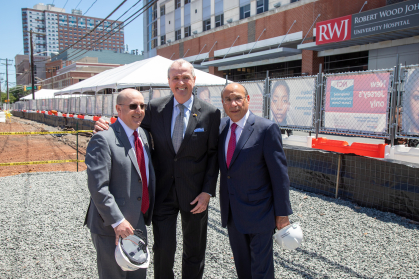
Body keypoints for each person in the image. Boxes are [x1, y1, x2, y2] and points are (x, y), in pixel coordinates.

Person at [94, 59, 221, 279]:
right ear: (169, 81)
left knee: (195, 249)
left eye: (185, 77)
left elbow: (213, 155)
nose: (180, 82)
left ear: (194, 80)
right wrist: (106, 125)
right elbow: (129, 125)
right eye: (175, 78)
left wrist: (207, 192)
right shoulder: (153, 108)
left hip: (196, 195)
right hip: (162, 193)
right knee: (163, 249)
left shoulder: (210, 113)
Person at [219, 83, 293, 279]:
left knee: (261, 270)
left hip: (260, 213)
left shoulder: (266, 129)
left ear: (248, 99)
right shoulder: (221, 128)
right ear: (223, 103)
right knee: (242, 268)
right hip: (233, 213)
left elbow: (280, 176)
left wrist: (282, 214)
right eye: (228, 99)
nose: (233, 103)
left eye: (237, 98)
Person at [84, 89, 156, 279]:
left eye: (142, 106)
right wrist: (117, 221)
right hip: (111, 226)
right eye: (133, 106)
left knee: (138, 275)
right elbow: (98, 187)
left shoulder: (143, 135)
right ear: (118, 109)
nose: (139, 110)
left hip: (137, 223)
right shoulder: (103, 138)